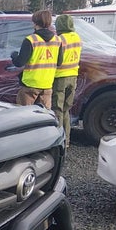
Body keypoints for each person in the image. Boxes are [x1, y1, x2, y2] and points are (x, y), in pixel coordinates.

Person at [11, 10, 62, 109]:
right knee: (44, 117)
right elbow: (59, 62)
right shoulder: (57, 40)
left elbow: (19, 62)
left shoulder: (30, 40)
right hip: (47, 85)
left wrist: (14, 56)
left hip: (30, 85)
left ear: (35, 23)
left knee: (23, 115)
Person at [52, 14, 82, 148]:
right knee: (66, 110)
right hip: (73, 76)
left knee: (57, 110)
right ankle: (67, 141)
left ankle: (57, 142)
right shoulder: (77, 38)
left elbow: (56, 59)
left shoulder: (60, 39)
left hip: (60, 77)